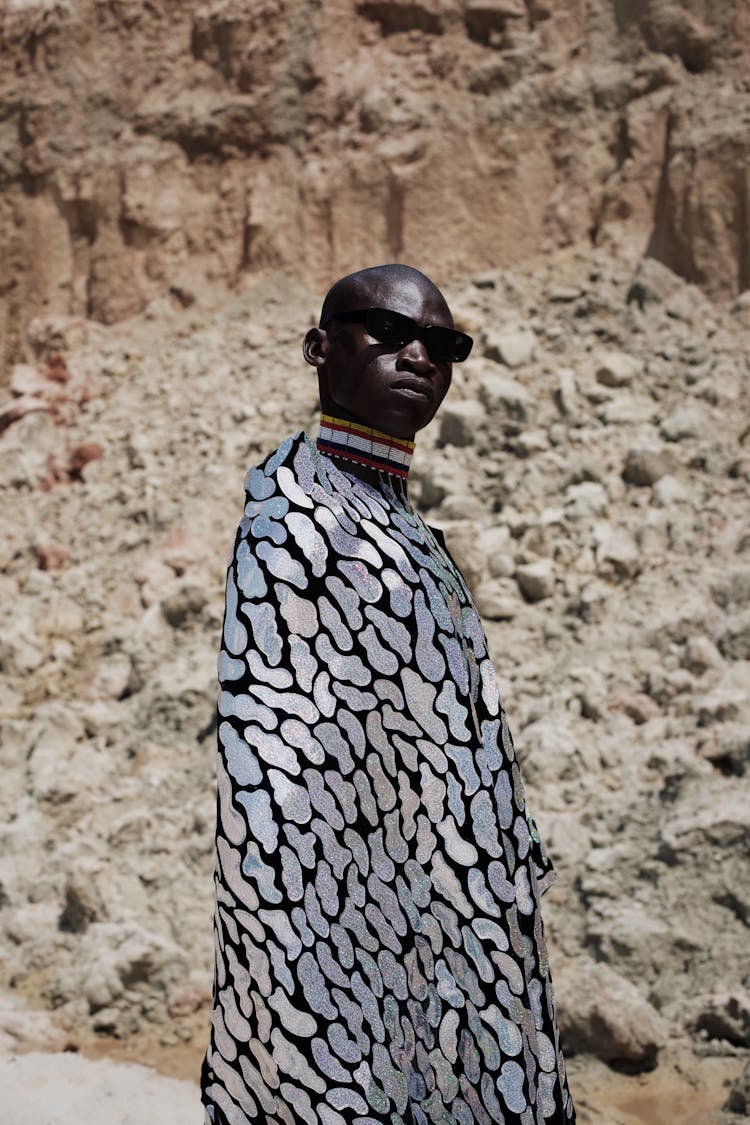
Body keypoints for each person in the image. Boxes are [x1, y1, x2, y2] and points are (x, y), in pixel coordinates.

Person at [201, 264, 576, 1124]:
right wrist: (315, 963)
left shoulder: (405, 526)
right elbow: (275, 779)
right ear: (318, 348)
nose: (421, 356)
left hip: (450, 919)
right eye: (390, 331)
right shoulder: (294, 515)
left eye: (445, 346)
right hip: (337, 926)